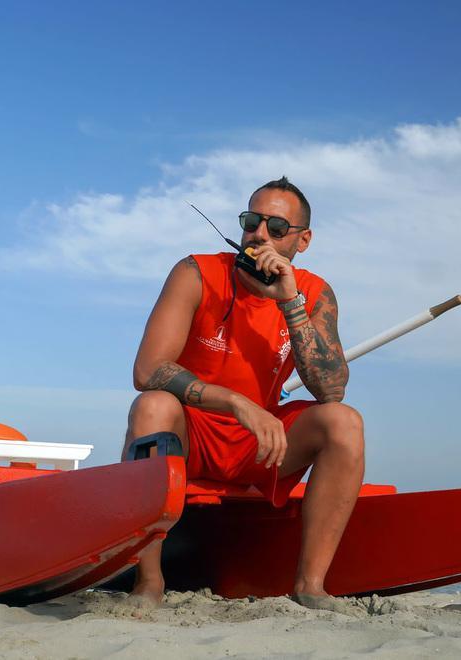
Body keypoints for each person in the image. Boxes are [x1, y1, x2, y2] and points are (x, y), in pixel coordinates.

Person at [122, 176, 364, 610]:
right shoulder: (196, 271)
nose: (258, 235)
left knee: (343, 423)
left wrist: (289, 303)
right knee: (152, 405)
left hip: (261, 445)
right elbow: (147, 370)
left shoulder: (314, 292)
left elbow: (332, 389)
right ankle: (148, 582)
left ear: (303, 240)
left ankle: (310, 586)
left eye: (276, 227)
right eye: (251, 221)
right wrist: (236, 402)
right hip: (191, 431)